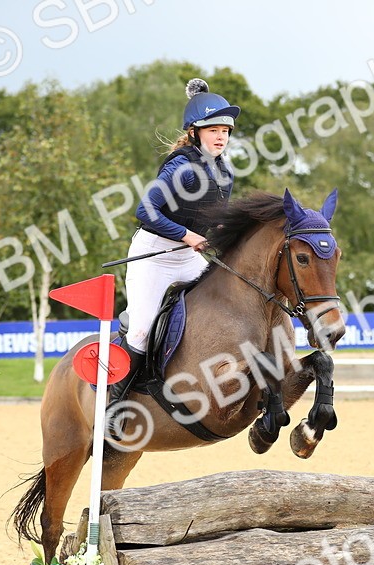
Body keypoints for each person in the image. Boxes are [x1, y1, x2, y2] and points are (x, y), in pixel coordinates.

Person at [108, 78, 240, 432]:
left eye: (225, 130)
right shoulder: (180, 167)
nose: (221, 136)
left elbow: (216, 221)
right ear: (195, 132)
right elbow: (145, 210)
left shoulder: (225, 173)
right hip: (153, 256)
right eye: (213, 129)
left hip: (187, 256)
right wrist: (186, 235)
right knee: (140, 331)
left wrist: (222, 236)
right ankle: (111, 408)